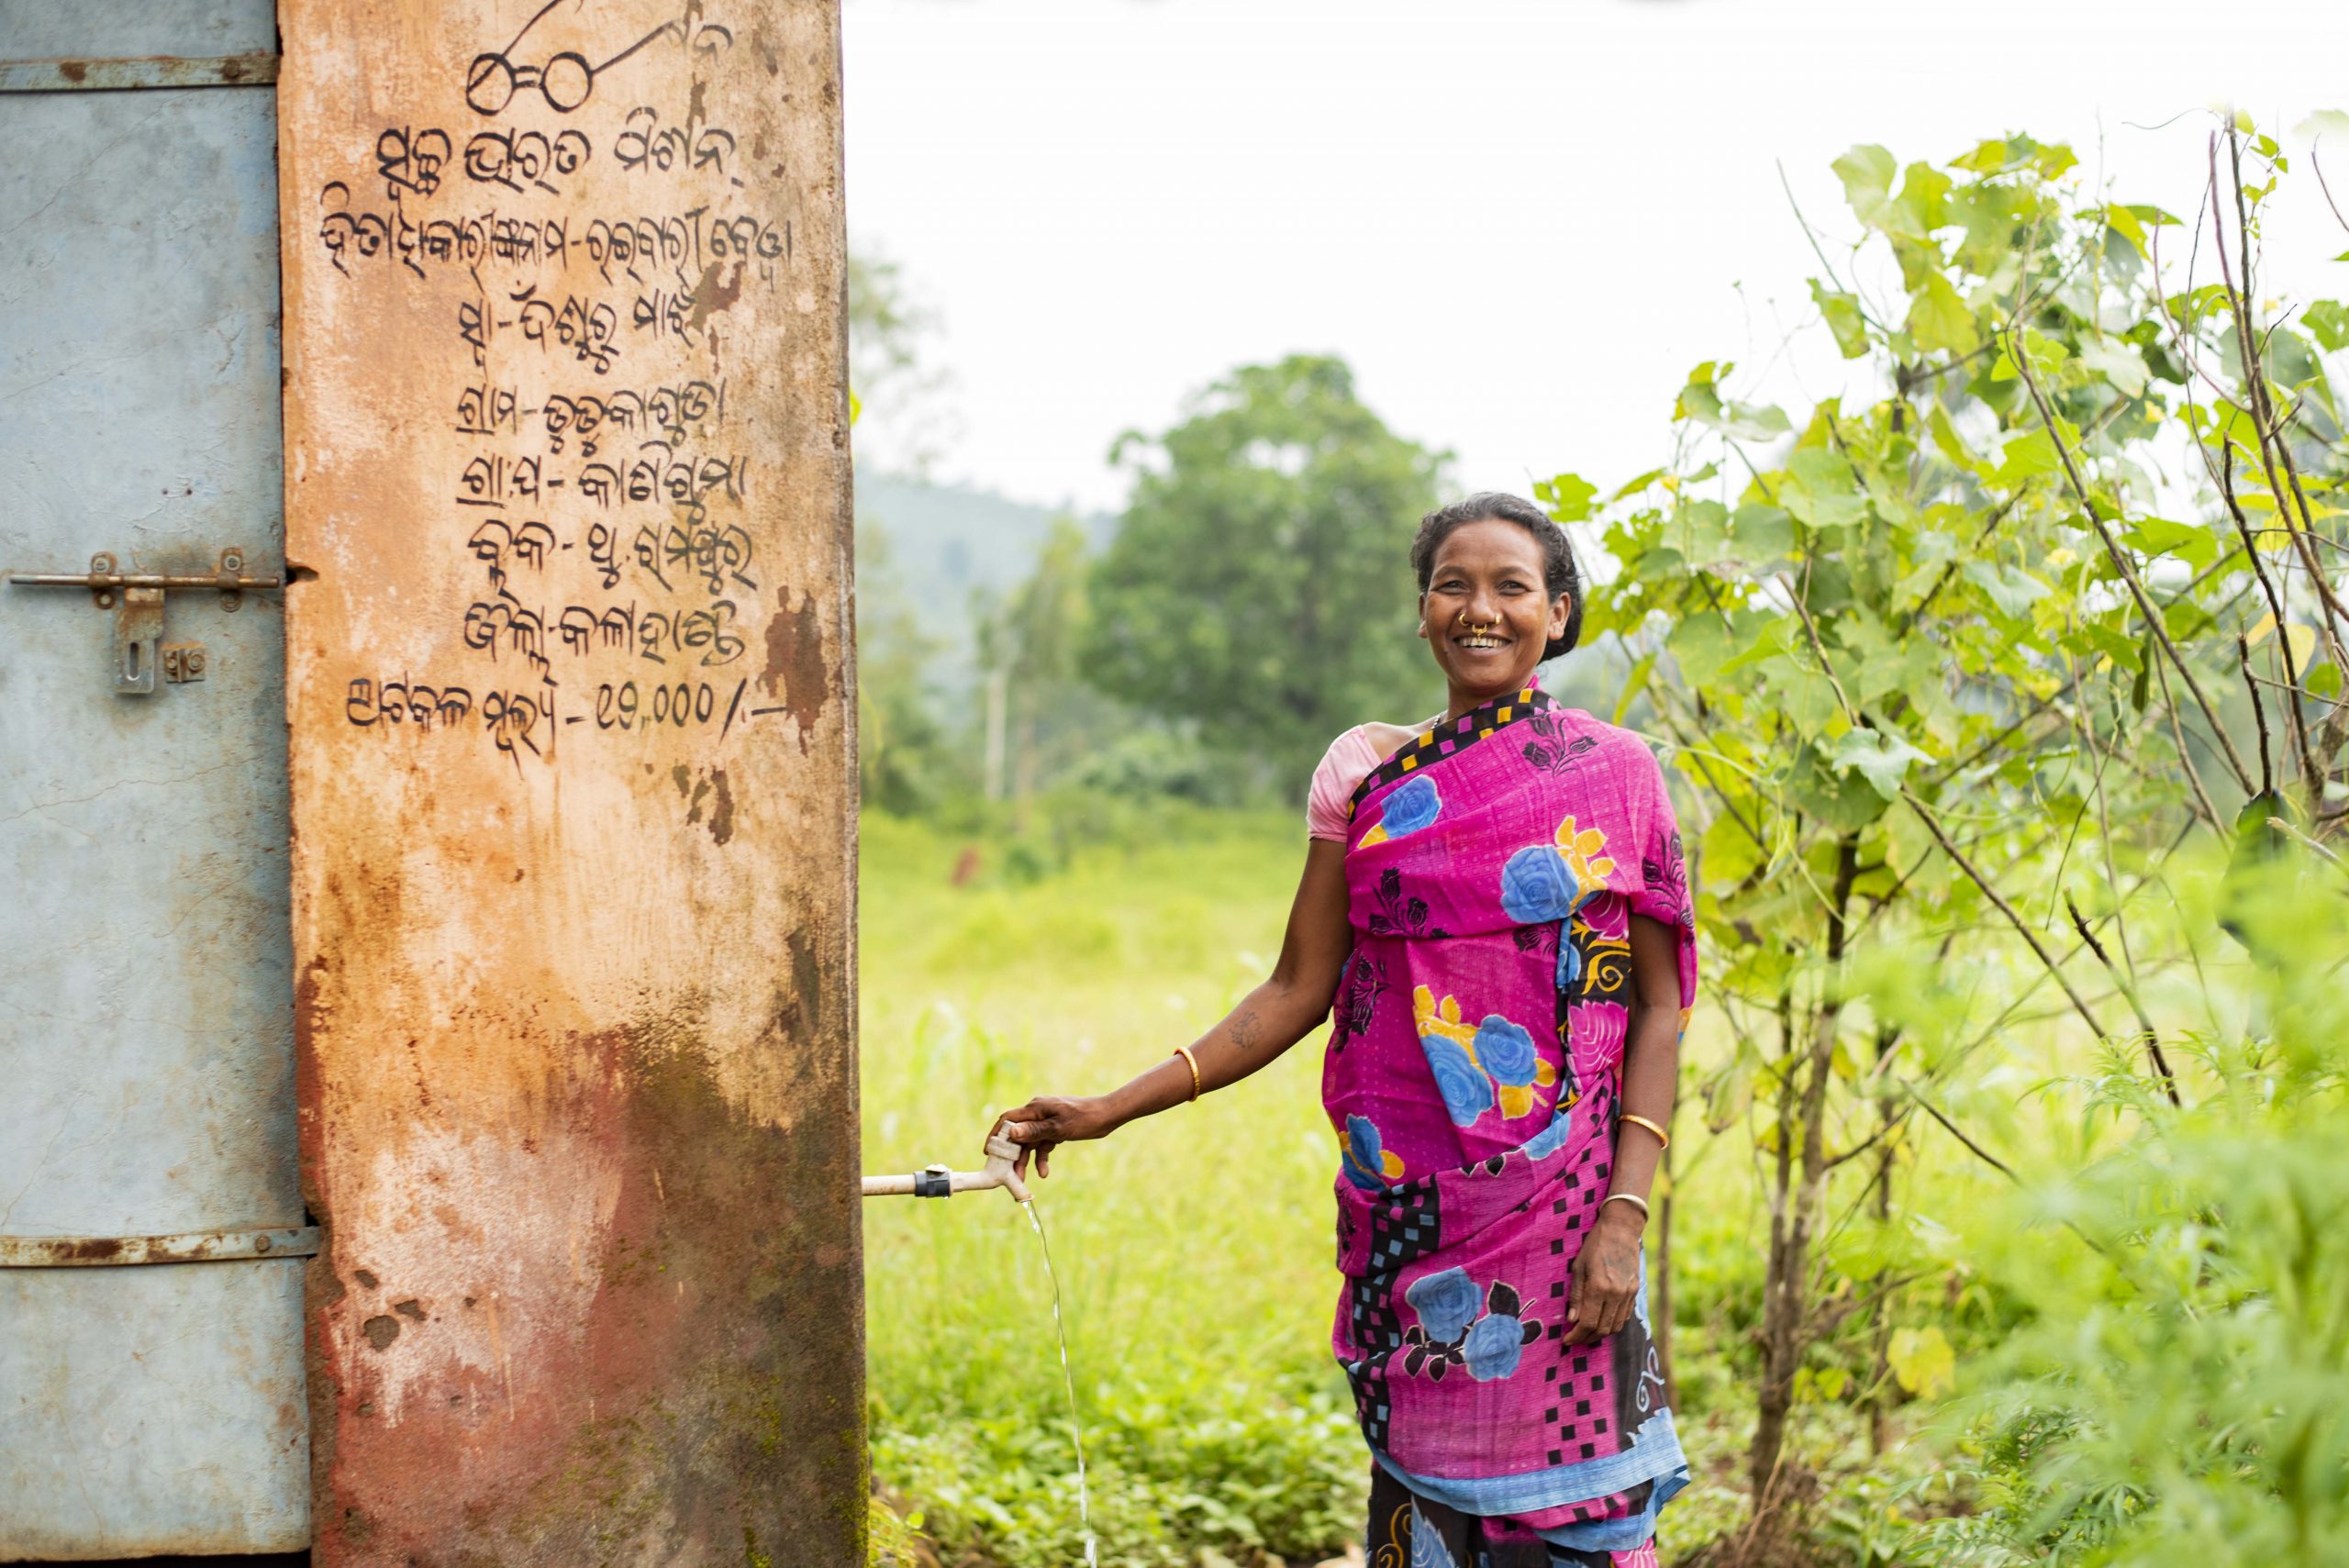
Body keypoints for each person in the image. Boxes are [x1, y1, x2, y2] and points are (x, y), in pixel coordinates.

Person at [993, 492, 1696, 1567]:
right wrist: (1106, 1108)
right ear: (1420, 612)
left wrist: (1625, 1217)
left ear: (1558, 613)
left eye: (1512, 587)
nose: (1480, 608)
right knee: (1423, 1524)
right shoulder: (1366, 774)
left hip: (1563, 1215)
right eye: (1452, 583)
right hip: (1413, 1217)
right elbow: (1293, 987)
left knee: (1575, 1529)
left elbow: (1658, 1002)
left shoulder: (1618, 773)